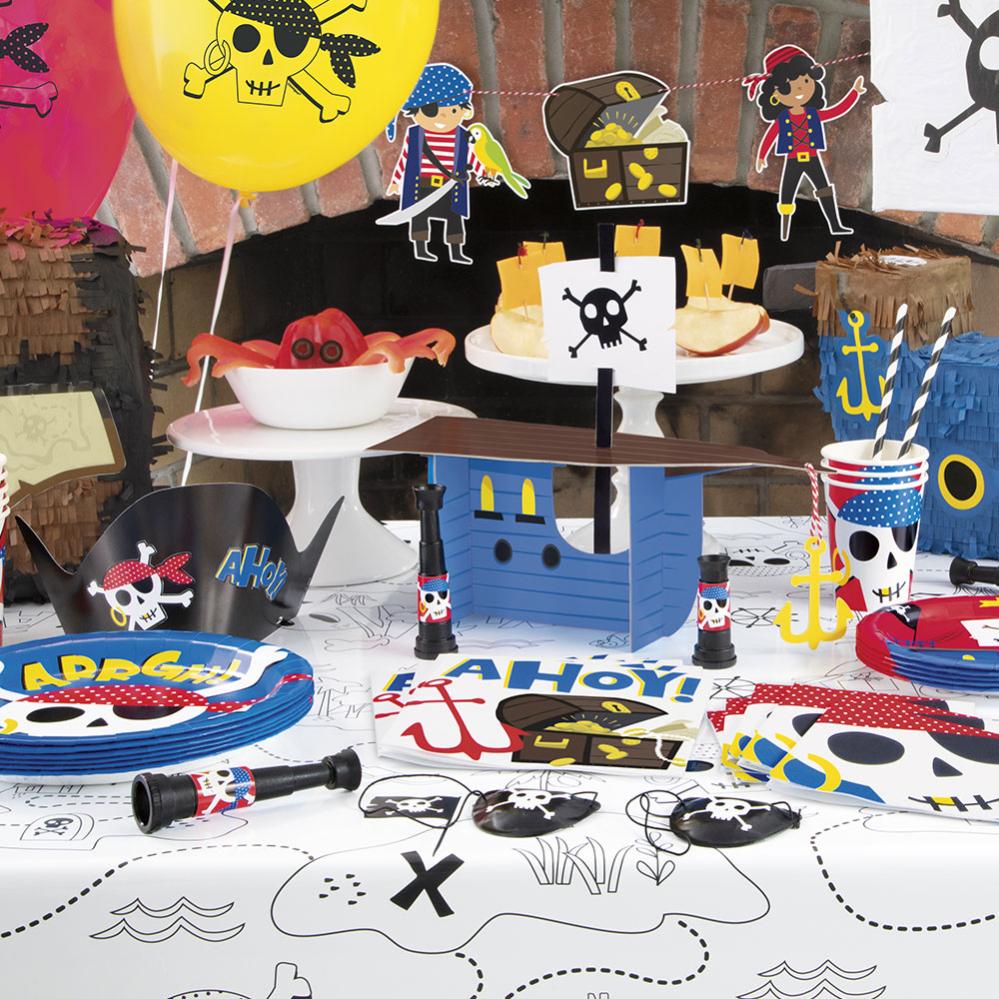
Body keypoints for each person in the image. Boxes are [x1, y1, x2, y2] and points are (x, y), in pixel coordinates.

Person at [745, 46, 866, 241]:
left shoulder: (814, 114)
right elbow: (770, 136)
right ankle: (784, 231)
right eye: (793, 87)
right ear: (776, 94)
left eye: (807, 82)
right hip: (792, 160)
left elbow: (836, 110)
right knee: (787, 194)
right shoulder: (782, 119)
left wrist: (854, 93)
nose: (801, 90)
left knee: (824, 189)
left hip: (812, 158)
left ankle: (835, 225)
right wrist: (761, 156)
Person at [386, 63, 498, 265]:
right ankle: (421, 249)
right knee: (419, 217)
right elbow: (405, 158)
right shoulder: (415, 135)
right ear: (415, 111)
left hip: (451, 186)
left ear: (464, 111)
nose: (443, 117)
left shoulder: (462, 135)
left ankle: (456, 251)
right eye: (431, 110)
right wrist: (396, 182)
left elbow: (471, 156)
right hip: (421, 185)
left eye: (453, 110)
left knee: (454, 219)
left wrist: (484, 172)